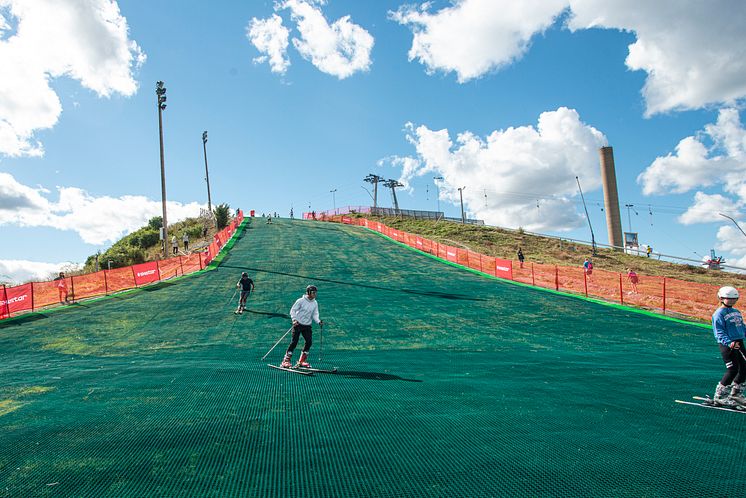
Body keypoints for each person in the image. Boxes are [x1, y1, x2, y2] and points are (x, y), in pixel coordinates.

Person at [711, 286, 746, 407]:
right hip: (728, 345)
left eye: (734, 299)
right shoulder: (718, 314)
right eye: (728, 299)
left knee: (744, 368)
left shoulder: (736, 312)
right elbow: (719, 332)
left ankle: (736, 394)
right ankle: (719, 396)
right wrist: (729, 342)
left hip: (739, 342)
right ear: (721, 298)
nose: (731, 301)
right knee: (732, 369)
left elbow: (741, 327)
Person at [281, 285, 323, 368]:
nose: (315, 294)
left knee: (309, 342)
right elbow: (293, 310)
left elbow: (315, 314)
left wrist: (318, 321)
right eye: (313, 292)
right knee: (294, 342)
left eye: (315, 292)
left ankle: (302, 361)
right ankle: (286, 361)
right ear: (308, 292)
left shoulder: (315, 303)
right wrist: (294, 320)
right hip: (298, 324)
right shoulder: (301, 301)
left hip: (307, 325)